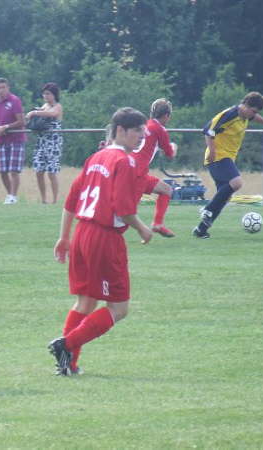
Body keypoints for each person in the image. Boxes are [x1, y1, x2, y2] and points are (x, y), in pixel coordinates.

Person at [49, 107, 153, 376]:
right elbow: (122, 207)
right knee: (119, 308)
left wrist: (64, 237)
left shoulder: (95, 157)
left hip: (82, 233)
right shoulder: (125, 162)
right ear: (120, 130)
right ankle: (66, 345)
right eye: (137, 131)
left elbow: (72, 199)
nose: (141, 136)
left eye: (143, 131)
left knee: (85, 303)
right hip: (104, 238)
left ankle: (68, 364)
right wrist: (142, 228)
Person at [193, 92, 263, 238]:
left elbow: (254, 117)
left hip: (227, 158)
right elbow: (207, 130)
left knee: (223, 198)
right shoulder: (229, 114)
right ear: (245, 105)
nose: (254, 114)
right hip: (218, 157)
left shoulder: (245, 115)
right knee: (236, 183)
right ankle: (207, 208)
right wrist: (212, 152)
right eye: (253, 110)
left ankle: (201, 230)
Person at [133, 98, 178, 237]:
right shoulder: (160, 129)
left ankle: (158, 224)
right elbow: (170, 154)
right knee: (125, 211)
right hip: (137, 172)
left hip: (129, 167)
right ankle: (156, 224)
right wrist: (175, 146)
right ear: (166, 115)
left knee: (166, 190)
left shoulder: (144, 124)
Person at [0, 78, 26, 204]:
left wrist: (6, 127)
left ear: (8, 88)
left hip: (16, 139)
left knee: (14, 170)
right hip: (1, 140)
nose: (1, 90)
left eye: (3, 87)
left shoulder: (15, 101)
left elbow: (21, 121)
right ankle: (9, 195)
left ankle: (13, 196)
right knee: (3, 171)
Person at [26, 82, 64, 204]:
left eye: (48, 94)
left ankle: (54, 200)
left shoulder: (57, 106)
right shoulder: (44, 106)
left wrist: (35, 112)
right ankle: (43, 199)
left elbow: (53, 114)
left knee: (51, 173)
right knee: (39, 171)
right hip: (41, 142)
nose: (46, 96)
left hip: (53, 142)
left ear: (54, 95)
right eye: (44, 94)